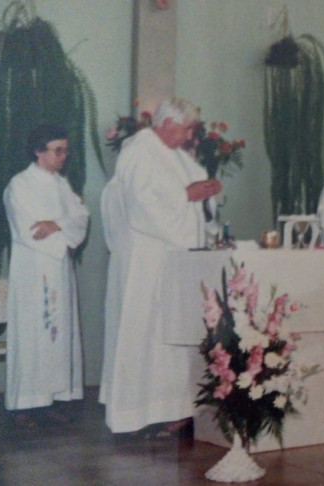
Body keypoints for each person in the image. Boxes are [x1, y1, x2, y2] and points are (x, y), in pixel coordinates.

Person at [100, 98, 222, 436]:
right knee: (145, 334)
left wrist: (208, 192)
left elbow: (197, 192)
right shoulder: (139, 151)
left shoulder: (178, 156)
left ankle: (177, 408)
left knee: (173, 336)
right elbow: (142, 205)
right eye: (185, 129)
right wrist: (188, 196)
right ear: (167, 123)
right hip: (147, 260)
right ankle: (139, 412)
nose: (188, 136)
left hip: (175, 260)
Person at [2, 125, 89, 427]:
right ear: (38, 151)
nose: (64, 156)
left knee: (58, 333)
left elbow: (81, 217)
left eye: (65, 149)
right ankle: (26, 404)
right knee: (33, 333)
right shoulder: (20, 185)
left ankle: (50, 399)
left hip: (59, 268)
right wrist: (57, 231)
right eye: (57, 150)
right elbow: (30, 229)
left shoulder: (61, 184)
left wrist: (56, 223)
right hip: (33, 267)